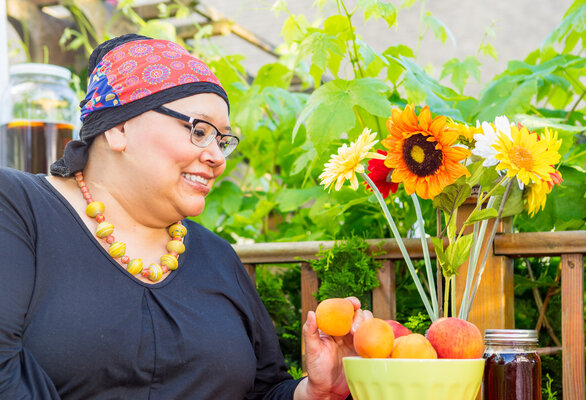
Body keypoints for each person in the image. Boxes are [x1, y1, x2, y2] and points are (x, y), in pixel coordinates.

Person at [0, 34, 371, 399]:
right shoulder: (17, 207)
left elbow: (263, 391)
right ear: (118, 126)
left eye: (222, 140)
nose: (218, 158)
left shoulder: (217, 256)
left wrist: (313, 392)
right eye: (198, 130)